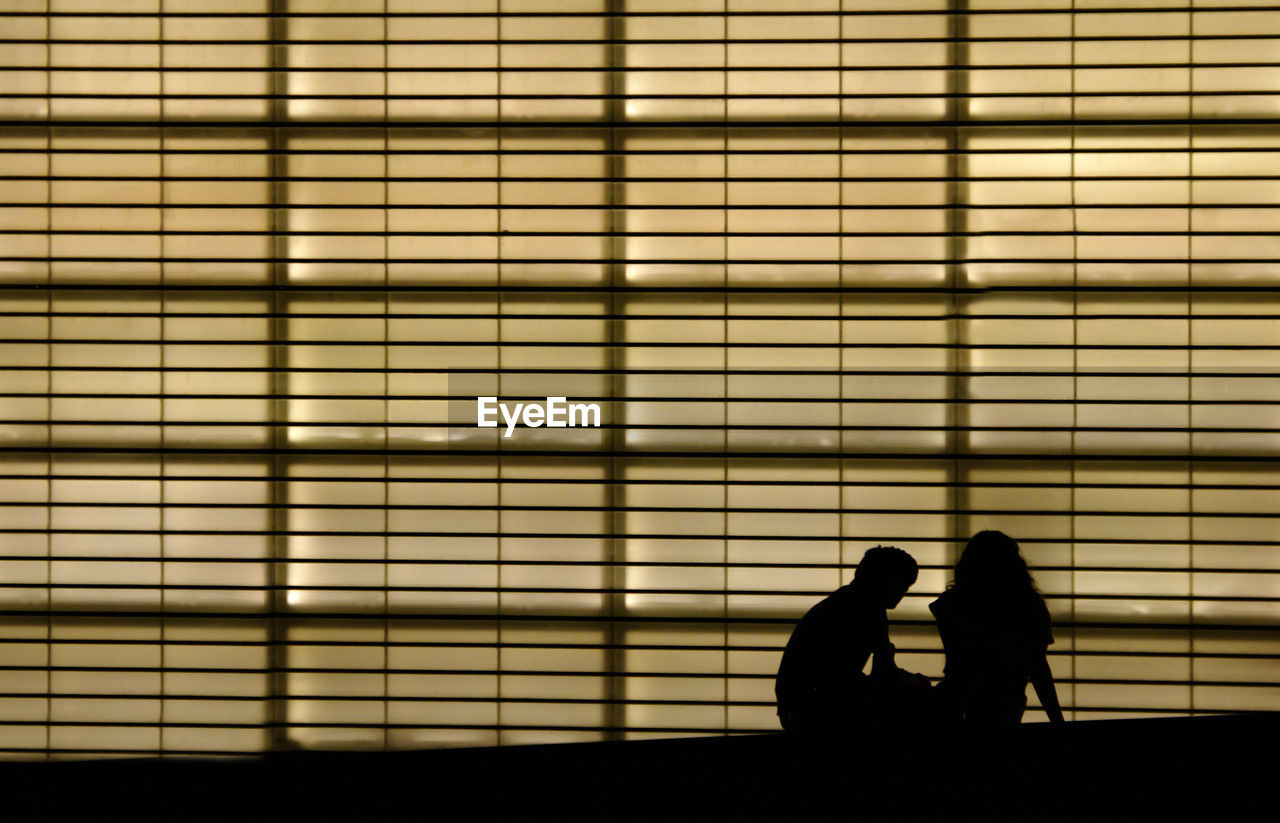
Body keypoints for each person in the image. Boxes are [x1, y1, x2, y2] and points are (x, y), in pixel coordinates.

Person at [775, 546, 932, 736]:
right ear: (883, 579)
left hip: (800, 705)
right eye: (902, 584)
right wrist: (920, 683)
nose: (902, 593)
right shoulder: (865, 609)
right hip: (812, 708)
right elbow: (884, 673)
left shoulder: (847, 602)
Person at [929, 530, 1065, 727]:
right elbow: (1038, 668)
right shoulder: (1029, 606)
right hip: (1007, 700)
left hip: (959, 702)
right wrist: (1057, 720)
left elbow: (957, 664)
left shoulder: (951, 604)